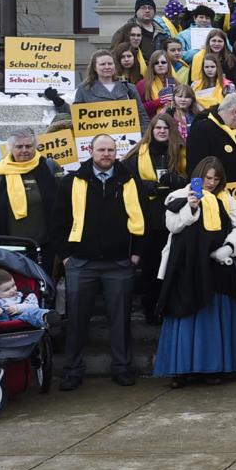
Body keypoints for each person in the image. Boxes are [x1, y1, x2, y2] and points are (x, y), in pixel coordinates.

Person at [51, 134, 148, 390]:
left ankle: (123, 368)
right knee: (77, 321)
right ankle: (72, 370)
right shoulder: (72, 181)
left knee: (121, 321)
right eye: (101, 149)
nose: (106, 154)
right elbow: (58, 222)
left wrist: (136, 252)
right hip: (82, 263)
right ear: (90, 151)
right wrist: (67, 256)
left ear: (117, 152)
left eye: (111, 149)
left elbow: (143, 218)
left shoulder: (129, 180)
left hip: (119, 263)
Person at [153, 156, 236, 386]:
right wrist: (191, 206)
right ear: (199, 175)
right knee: (184, 313)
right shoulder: (178, 195)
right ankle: (181, 369)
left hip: (215, 265)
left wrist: (228, 248)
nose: (211, 183)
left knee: (211, 314)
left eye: (216, 179)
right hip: (184, 266)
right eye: (207, 178)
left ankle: (211, 367)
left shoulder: (227, 199)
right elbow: (173, 225)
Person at [121, 114, 188, 325]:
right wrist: (146, 187)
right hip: (149, 220)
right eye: (157, 127)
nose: (161, 131)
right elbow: (126, 181)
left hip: (175, 217)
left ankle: (171, 304)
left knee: (173, 266)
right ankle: (151, 309)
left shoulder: (182, 153)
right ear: (151, 130)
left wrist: (178, 181)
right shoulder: (136, 156)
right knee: (151, 267)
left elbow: (195, 179)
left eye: (165, 128)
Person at [0, 127, 62, 264]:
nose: (24, 150)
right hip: (10, 246)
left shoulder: (50, 167)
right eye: (19, 146)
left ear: (35, 147)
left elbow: (63, 202)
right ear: (11, 149)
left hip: (46, 245)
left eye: (28, 146)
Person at [73, 49, 150, 131]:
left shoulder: (128, 87)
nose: (107, 67)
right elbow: (77, 119)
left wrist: (144, 137)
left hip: (126, 138)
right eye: (102, 64)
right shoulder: (84, 88)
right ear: (95, 67)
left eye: (110, 64)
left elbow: (142, 115)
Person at [186, 93, 236, 182]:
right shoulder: (202, 129)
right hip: (210, 193)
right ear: (235, 111)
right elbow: (195, 167)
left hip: (234, 192)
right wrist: (197, 193)